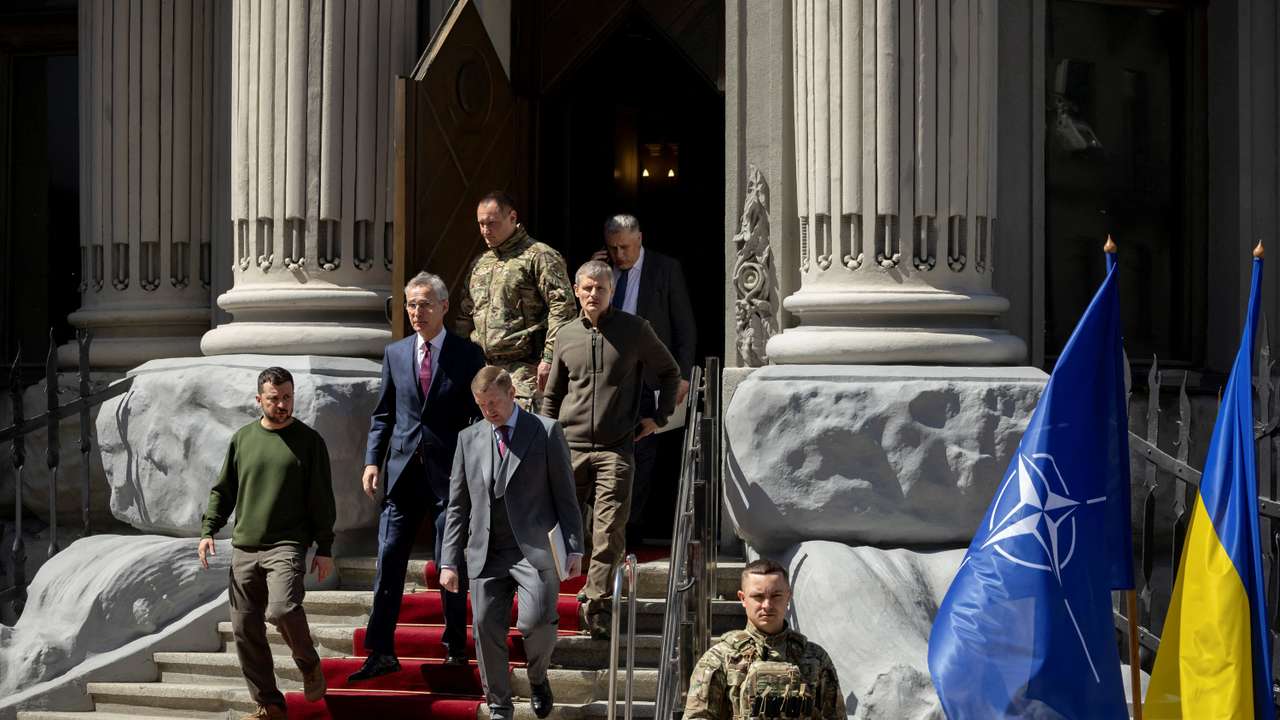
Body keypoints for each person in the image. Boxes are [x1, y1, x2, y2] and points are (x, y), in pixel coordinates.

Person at [349, 272, 487, 682]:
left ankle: (455, 647)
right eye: (410, 304)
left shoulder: (467, 354)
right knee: (389, 559)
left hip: (451, 474)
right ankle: (381, 650)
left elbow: (481, 416)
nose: (416, 312)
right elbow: (385, 414)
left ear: (444, 306)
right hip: (403, 471)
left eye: (425, 303)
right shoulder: (395, 353)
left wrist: (479, 468)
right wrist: (373, 461)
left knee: (452, 560)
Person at [540, 260, 680, 638]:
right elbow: (552, 395)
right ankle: (542, 600)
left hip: (616, 450)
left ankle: (596, 606)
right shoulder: (566, 335)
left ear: (611, 291)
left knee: (608, 531)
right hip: (568, 448)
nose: (593, 295)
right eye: (586, 288)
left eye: (600, 289)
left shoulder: (635, 331)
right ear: (576, 289)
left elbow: (670, 373)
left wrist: (660, 418)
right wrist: (545, 443)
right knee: (553, 527)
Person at [439, 366, 585, 720]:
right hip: (486, 551)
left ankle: (537, 677)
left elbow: (566, 493)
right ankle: (499, 705)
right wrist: (447, 561)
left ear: (511, 395)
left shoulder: (545, 431)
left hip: (533, 549)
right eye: (481, 404)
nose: (488, 411)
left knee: (535, 622)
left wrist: (574, 546)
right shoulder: (468, 438)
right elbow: (457, 504)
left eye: (493, 402)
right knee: (486, 626)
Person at [198, 367, 335, 720]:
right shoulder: (242, 439)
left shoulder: (309, 441)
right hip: (244, 547)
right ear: (259, 400)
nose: (282, 404)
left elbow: (321, 498)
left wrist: (325, 547)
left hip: (287, 545)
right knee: (245, 629)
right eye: (274, 398)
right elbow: (223, 490)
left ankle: (308, 663)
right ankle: (269, 704)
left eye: (287, 397)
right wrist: (208, 530)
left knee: (282, 610)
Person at [595, 214, 696, 545]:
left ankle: (630, 531)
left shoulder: (665, 270)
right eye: (613, 248)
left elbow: (684, 327)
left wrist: (681, 375)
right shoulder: (603, 273)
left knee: (643, 455)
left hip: (650, 378)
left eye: (625, 247)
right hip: (610, 380)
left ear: (639, 239)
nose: (619, 255)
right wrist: (594, 276)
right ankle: (605, 529)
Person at [457, 190, 576, 407]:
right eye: (481, 223)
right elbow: (466, 313)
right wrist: (460, 357)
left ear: (512, 218)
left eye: (491, 223)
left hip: (525, 370)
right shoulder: (480, 263)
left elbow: (563, 309)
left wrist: (550, 358)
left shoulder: (539, 256)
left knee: (522, 437)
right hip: (484, 370)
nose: (485, 230)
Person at [684, 559, 845, 719]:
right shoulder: (719, 658)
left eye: (776, 596)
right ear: (742, 598)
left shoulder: (815, 657)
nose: (767, 605)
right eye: (758, 597)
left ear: (788, 597)